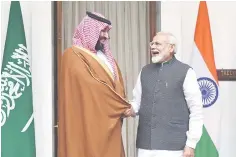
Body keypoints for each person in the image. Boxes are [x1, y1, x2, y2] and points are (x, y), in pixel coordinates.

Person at [58, 11, 130, 157]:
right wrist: (121, 105)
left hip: (110, 123)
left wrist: (120, 104)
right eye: (102, 31)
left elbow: (117, 84)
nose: (106, 36)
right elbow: (89, 86)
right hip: (85, 122)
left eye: (107, 32)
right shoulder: (72, 55)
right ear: (89, 30)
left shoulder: (106, 58)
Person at [124, 32, 203, 157]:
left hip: (174, 147)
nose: (153, 47)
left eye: (158, 44)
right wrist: (128, 109)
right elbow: (137, 103)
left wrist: (191, 144)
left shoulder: (186, 72)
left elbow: (196, 110)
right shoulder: (145, 71)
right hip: (146, 147)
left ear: (171, 48)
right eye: (152, 43)